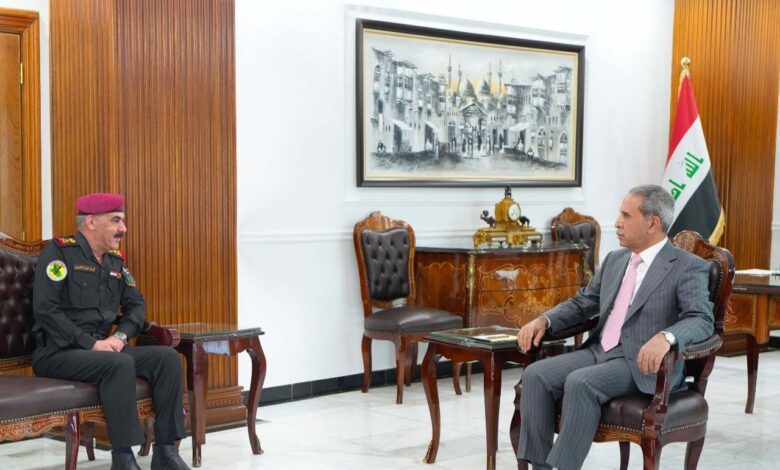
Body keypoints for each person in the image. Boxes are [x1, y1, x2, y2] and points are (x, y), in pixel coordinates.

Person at [515, 184, 714, 470]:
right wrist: (544, 320)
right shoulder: (616, 259)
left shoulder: (686, 266)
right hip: (599, 350)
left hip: (639, 363)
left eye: (626, 216)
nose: (617, 223)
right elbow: (585, 302)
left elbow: (701, 319)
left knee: (580, 382)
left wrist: (666, 337)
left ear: (652, 223)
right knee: (535, 375)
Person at [32, 193, 190, 470]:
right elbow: (46, 309)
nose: (123, 228)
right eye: (116, 220)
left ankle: (166, 452)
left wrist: (119, 336)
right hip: (58, 352)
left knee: (167, 359)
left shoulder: (115, 262)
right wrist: (90, 344)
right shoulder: (59, 253)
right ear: (92, 222)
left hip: (104, 349)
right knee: (119, 363)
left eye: (123, 221)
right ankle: (123, 458)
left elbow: (136, 305)